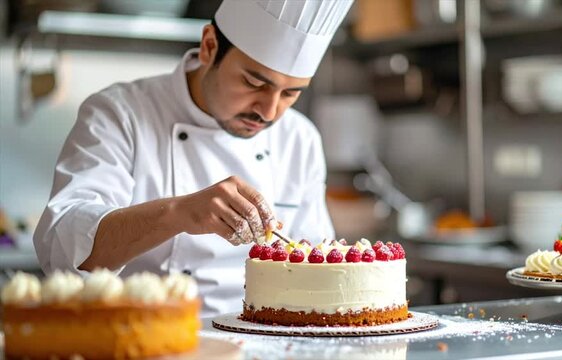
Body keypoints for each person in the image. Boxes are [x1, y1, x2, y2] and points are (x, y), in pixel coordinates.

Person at [34, 0, 354, 316]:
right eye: (253, 82)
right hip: (142, 337)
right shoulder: (119, 114)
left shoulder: (300, 138)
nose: (269, 112)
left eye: (290, 93)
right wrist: (179, 213)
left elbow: (315, 270)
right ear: (209, 46)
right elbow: (62, 251)